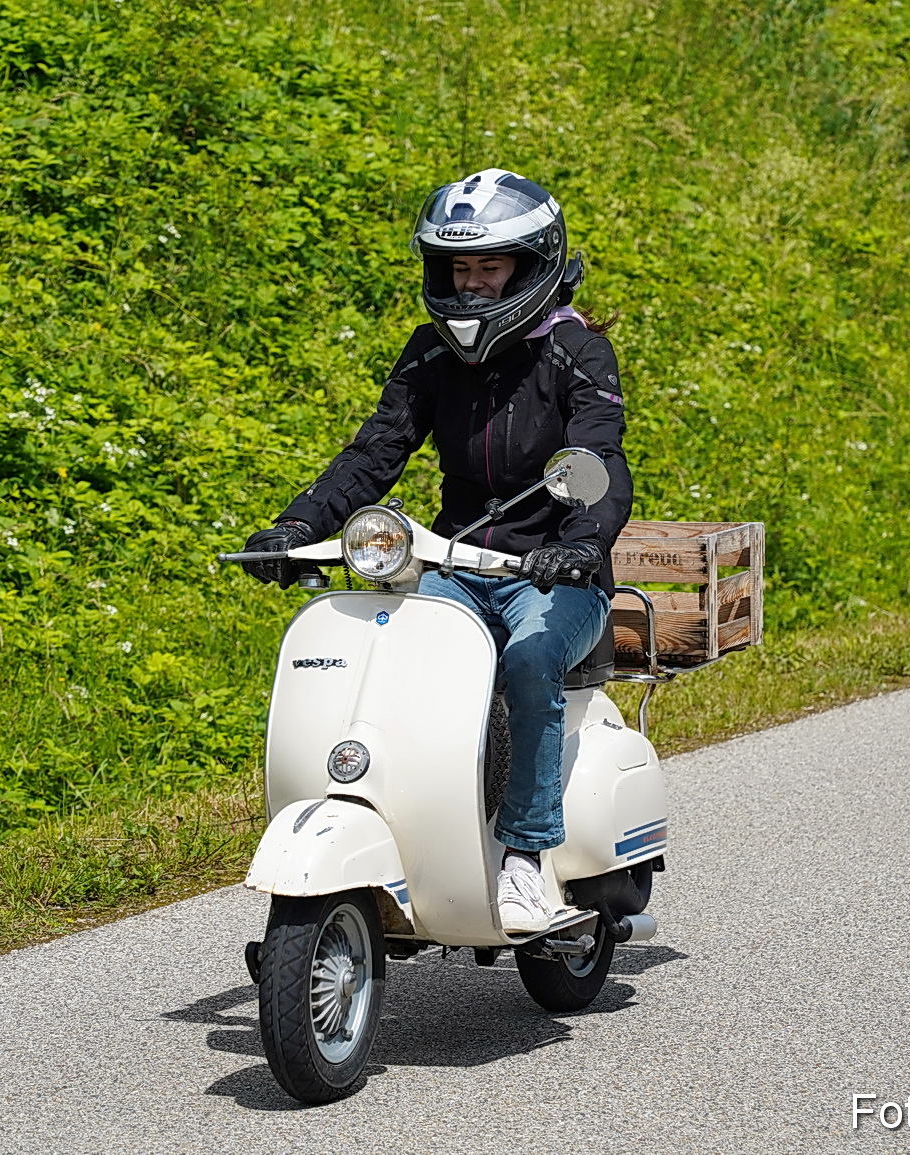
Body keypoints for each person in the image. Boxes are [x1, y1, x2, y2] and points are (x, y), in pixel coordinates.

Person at [240, 168, 634, 933]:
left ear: (532, 265)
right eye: (461, 269)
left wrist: (579, 545)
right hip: (457, 564)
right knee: (390, 654)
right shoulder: (431, 354)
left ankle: (524, 856)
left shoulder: (575, 349)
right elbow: (374, 454)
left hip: (554, 576)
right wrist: (294, 527)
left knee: (525, 657)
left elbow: (602, 459)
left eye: (491, 268)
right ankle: (412, 836)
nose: (475, 286)